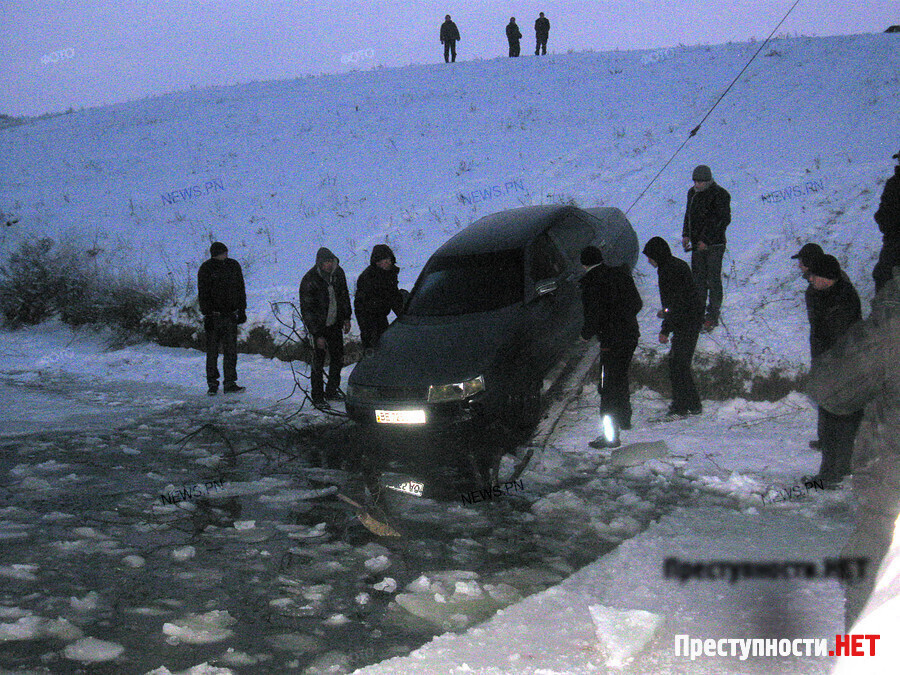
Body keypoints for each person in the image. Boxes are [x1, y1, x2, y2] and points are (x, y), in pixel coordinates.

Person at [807, 264, 900, 629]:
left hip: (892, 497)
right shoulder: (819, 296)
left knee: (871, 592)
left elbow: (833, 385)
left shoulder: (885, 317)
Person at [805, 254, 862, 485]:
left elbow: (838, 340)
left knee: (836, 421)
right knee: (836, 420)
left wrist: (827, 370)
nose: (809, 279)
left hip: (841, 367)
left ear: (827, 278)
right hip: (830, 365)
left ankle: (831, 474)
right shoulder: (821, 293)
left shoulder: (842, 300)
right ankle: (837, 469)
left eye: (813, 276)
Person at [579, 246, 642, 448]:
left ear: (584, 264)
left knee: (607, 388)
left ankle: (610, 436)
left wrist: (586, 334)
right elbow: (637, 304)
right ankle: (624, 419)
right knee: (620, 376)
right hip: (630, 336)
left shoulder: (591, 283)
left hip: (610, 342)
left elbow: (594, 315)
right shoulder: (620, 275)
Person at [642, 236, 704, 418]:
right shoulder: (676, 265)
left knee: (677, 364)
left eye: (650, 256)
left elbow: (673, 303)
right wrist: (667, 314)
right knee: (680, 363)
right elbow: (677, 302)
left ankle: (681, 406)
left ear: (657, 255)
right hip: (690, 319)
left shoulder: (667, 271)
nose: (648, 261)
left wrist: (665, 328)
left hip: (686, 321)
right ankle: (692, 404)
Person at [681, 165, 731, 332]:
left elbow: (722, 220)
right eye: (695, 181)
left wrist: (706, 240)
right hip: (696, 245)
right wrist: (686, 234)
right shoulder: (692, 193)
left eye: (700, 182)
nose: (697, 184)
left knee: (713, 280)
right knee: (698, 280)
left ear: (708, 180)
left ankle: (712, 315)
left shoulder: (720, 195)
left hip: (714, 246)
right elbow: (688, 215)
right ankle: (698, 312)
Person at [299, 247, 352, 404]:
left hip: (335, 323)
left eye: (331, 261)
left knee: (338, 358)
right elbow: (307, 309)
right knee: (318, 363)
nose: (329, 265)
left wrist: (347, 318)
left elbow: (344, 296)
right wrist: (316, 334)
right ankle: (317, 396)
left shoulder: (338, 274)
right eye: (326, 262)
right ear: (319, 264)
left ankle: (331, 390)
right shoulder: (310, 279)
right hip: (319, 326)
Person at [197, 242, 247, 395]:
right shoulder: (206, 269)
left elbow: (240, 288)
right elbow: (203, 293)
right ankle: (212, 384)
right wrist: (207, 313)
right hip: (214, 316)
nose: (225, 254)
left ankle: (230, 382)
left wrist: (242, 310)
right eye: (223, 252)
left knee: (231, 351)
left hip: (230, 315)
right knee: (212, 352)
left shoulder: (233, 266)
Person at [790, 242, 826, 449]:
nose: (799, 266)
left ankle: (829, 439)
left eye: (802, 262)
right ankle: (826, 437)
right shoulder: (816, 284)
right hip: (822, 345)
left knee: (830, 393)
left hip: (828, 347)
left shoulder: (821, 286)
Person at [354, 244, 405, 352]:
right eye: (384, 260)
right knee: (374, 352)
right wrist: (366, 329)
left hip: (381, 316)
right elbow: (360, 306)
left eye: (389, 259)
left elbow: (394, 297)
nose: (388, 263)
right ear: (377, 262)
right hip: (369, 320)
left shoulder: (390, 274)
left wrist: (404, 316)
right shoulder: (367, 278)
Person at [872, 149, 900, 292]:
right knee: (882, 275)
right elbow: (882, 213)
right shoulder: (893, 184)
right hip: (894, 240)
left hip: (894, 240)